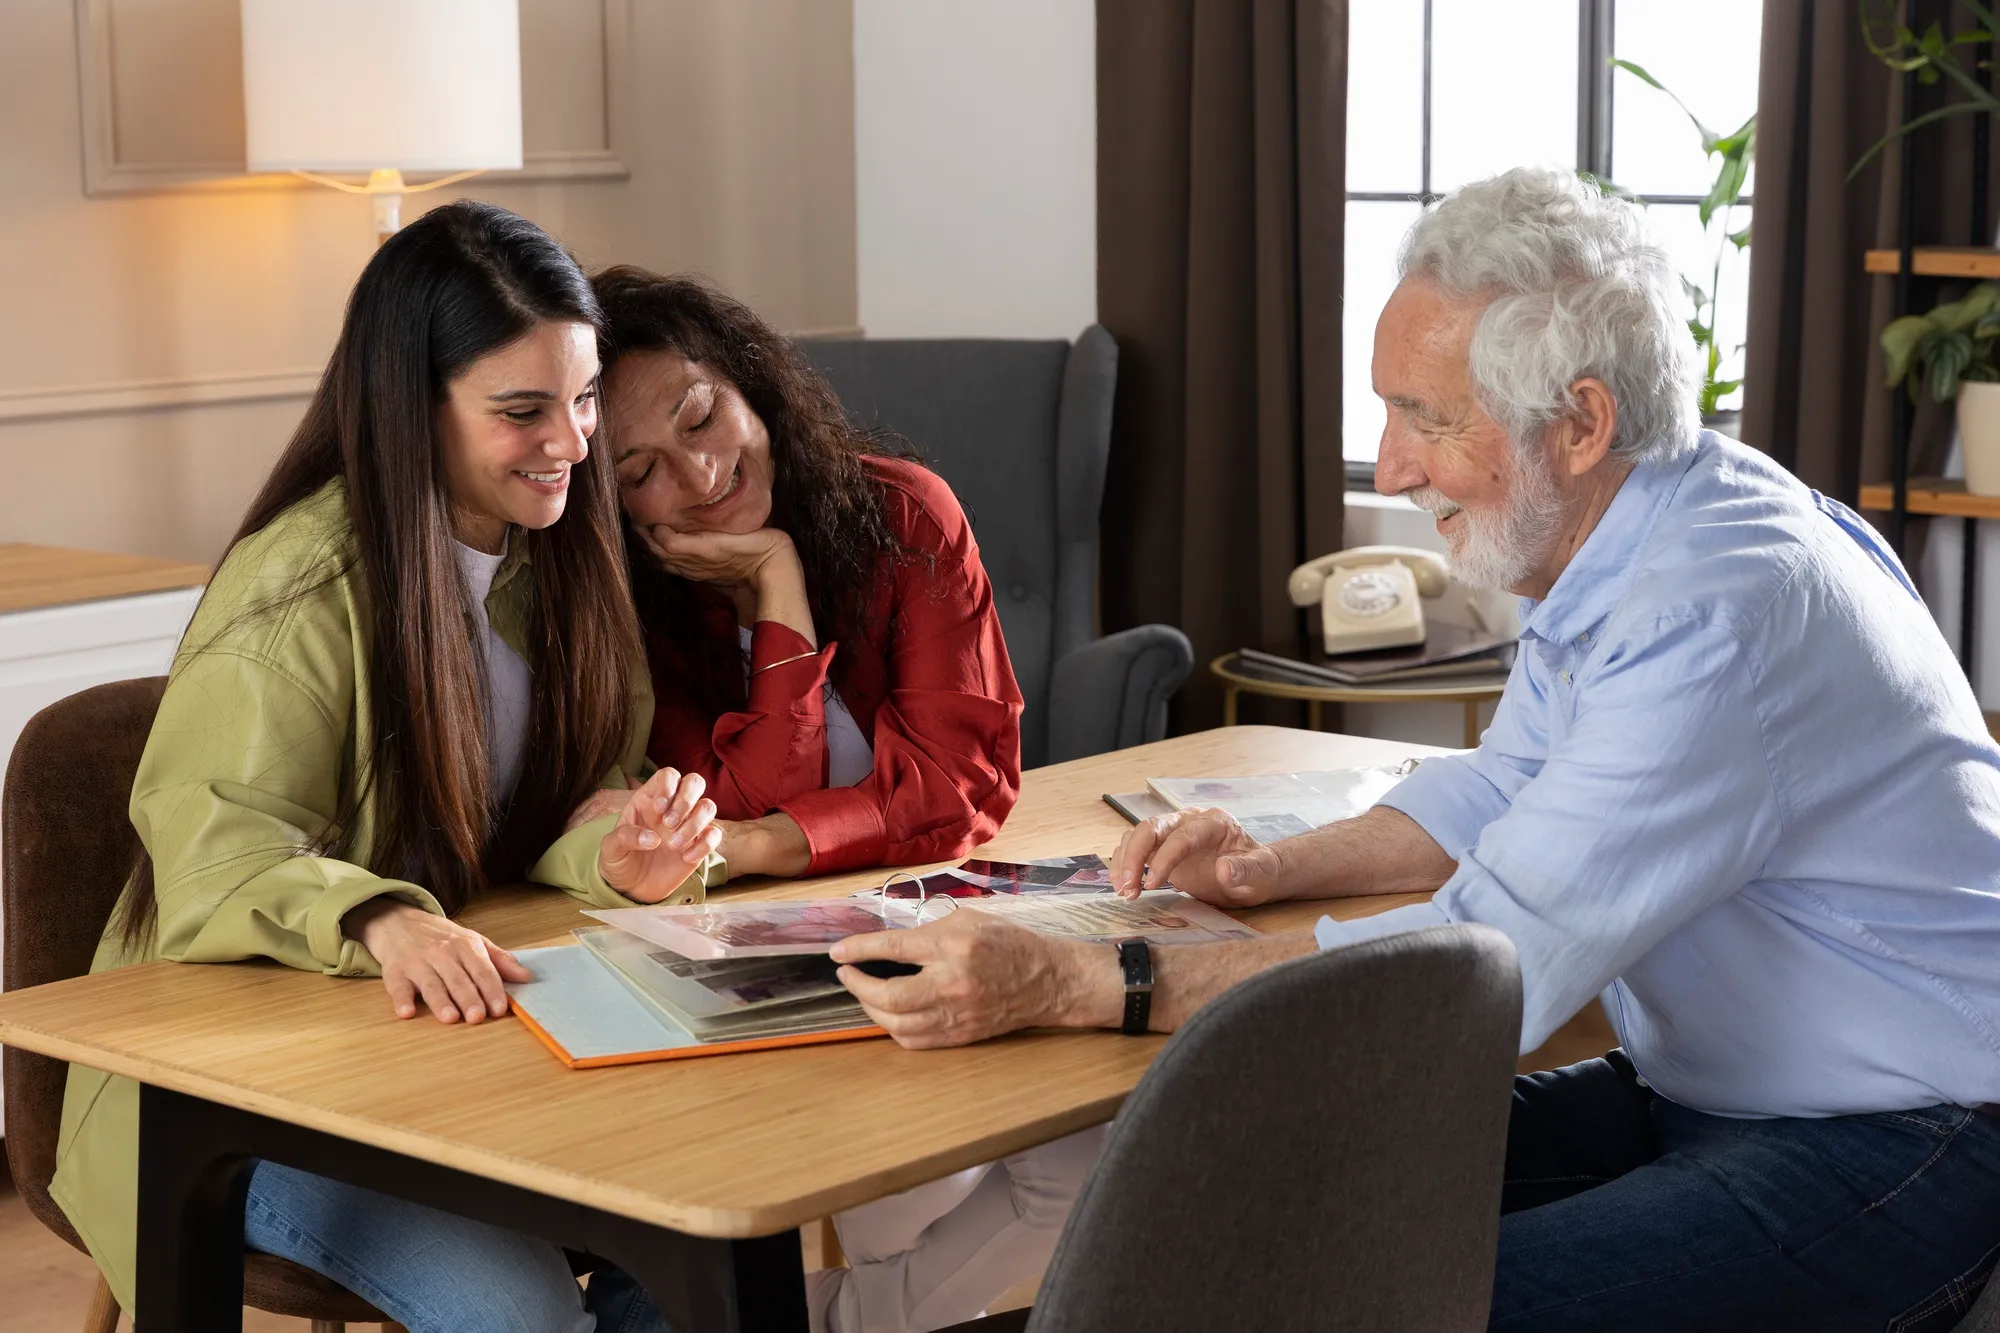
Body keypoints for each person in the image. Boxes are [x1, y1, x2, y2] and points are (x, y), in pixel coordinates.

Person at [826, 167, 2000, 1331]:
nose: (1389, 466)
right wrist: (1267, 869)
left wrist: (1080, 979)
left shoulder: (1710, 615)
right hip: (1706, 1093)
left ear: (1580, 423)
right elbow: (1507, 782)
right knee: (1223, 1193)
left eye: (1425, 419)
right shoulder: (1643, 526)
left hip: (1897, 1137)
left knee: (1355, 1303)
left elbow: (1481, 966)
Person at [51, 201, 722, 1333]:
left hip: (442, 1050)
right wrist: (378, 918)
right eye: (523, 410)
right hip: (235, 1095)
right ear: (414, 406)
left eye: (584, 397)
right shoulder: (297, 589)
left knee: (702, 1245)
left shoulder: (559, 556)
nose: (572, 443)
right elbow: (213, 856)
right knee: (525, 1316)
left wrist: (614, 852)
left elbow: (555, 804)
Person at [576, 269, 1096, 1333]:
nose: (701, 472)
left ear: (750, 384)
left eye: (701, 416)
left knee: (1070, 1163)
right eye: (643, 471)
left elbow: (961, 782)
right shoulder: (637, 612)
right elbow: (733, 797)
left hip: (947, 915)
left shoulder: (905, 514)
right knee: (911, 1201)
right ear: (615, 507)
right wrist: (776, 588)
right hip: (764, 974)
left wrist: (761, 847)